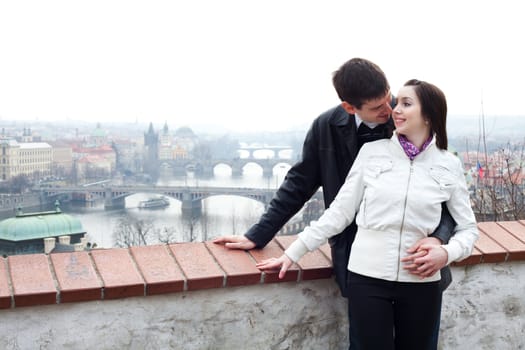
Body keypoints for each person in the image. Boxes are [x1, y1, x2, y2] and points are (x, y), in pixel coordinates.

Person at [213, 58, 455, 347]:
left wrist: (439, 241)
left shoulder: (410, 121)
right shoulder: (325, 127)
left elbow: (446, 196)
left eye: (388, 99)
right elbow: (299, 184)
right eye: (378, 108)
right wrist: (258, 234)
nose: (390, 111)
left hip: (419, 263)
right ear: (349, 108)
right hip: (360, 262)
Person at [256, 79, 479, 349]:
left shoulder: (449, 164)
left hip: (422, 283)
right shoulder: (371, 153)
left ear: (429, 115)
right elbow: (339, 212)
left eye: (406, 104)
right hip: (368, 280)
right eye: (397, 103)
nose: (395, 109)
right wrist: (292, 253)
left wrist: (446, 252)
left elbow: (468, 229)